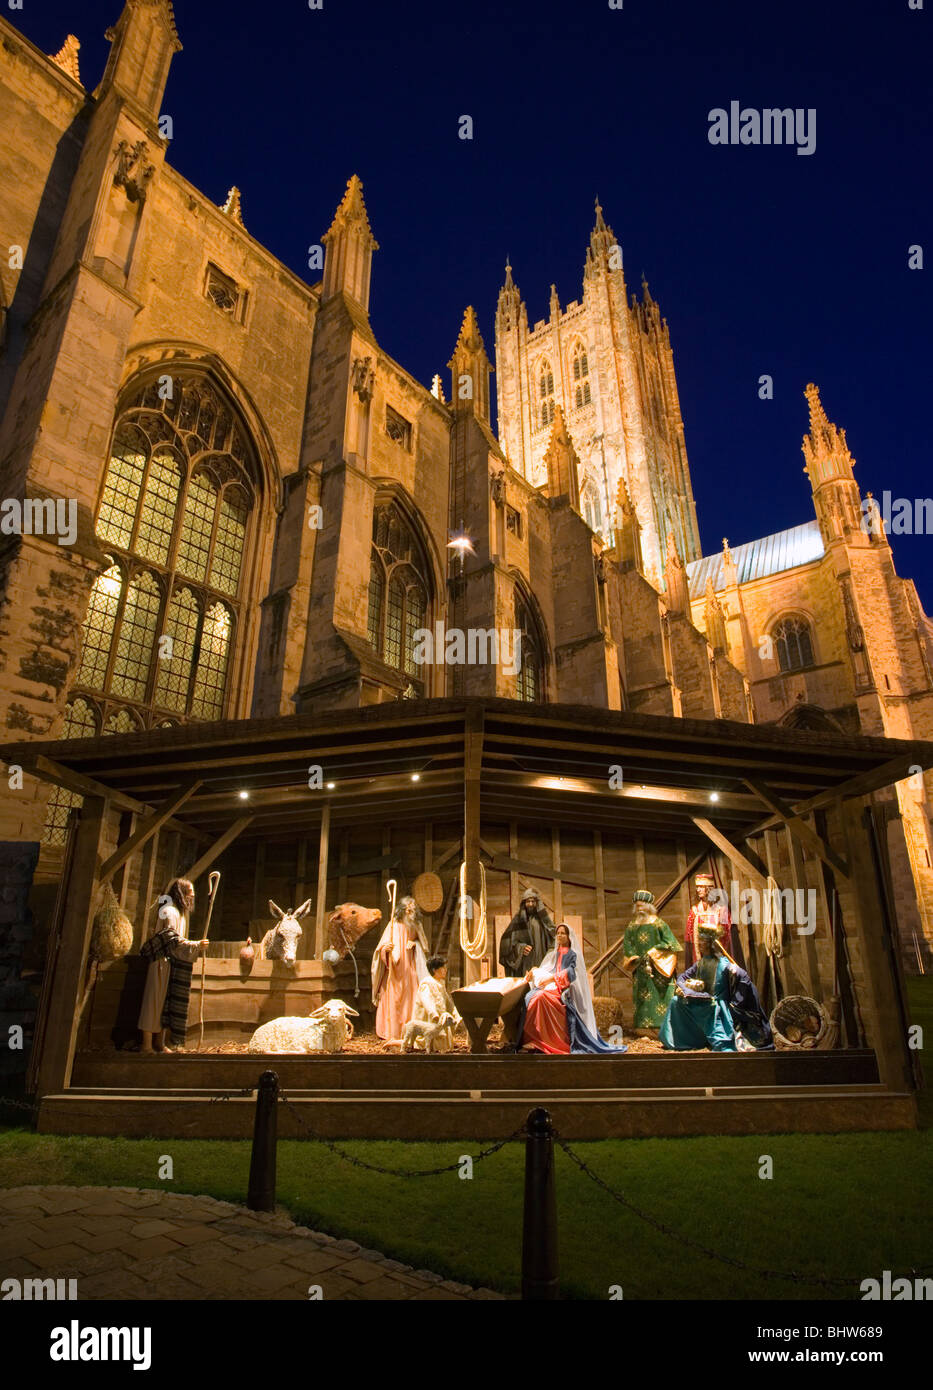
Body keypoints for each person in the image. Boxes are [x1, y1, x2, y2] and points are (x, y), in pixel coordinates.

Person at [660, 920, 773, 1051]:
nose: (699, 944)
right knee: (675, 1001)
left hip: (717, 1005)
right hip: (701, 999)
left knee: (721, 1041)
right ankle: (681, 1040)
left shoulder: (724, 965)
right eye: (699, 940)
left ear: (710, 944)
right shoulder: (701, 963)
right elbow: (682, 977)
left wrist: (736, 1003)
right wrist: (687, 987)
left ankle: (719, 1039)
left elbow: (744, 979)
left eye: (702, 941)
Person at [518, 923, 626, 1055]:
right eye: (558, 933)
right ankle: (533, 1039)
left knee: (541, 998)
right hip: (551, 986)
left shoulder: (572, 954)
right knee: (530, 997)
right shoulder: (555, 953)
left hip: (564, 989)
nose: (560, 935)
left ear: (569, 936)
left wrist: (552, 979)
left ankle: (545, 1041)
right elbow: (548, 967)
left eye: (563, 933)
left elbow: (572, 973)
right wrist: (535, 970)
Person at [138, 878, 208, 1052]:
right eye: (189, 894)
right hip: (161, 961)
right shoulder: (169, 911)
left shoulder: (181, 914)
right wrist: (196, 945)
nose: (192, 897)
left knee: (166, 1005)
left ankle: (160, 1043)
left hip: (172, 963)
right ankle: (146, 1045)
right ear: (181, 894)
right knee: (154, 1001)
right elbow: (171, 939)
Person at [621, 889, 682, 1035]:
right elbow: (628, 944)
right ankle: (643, 1030)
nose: (639, 908)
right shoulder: (632, 926)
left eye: (641, 905)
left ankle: (664, 1028)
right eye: (637, 905)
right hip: (640, 968)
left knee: (660, 996)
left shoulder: (659, 924)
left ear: (648, 906)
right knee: (641, 997)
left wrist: (654, 952)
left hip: (659, 967)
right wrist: (632, 957)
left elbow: (671, 943)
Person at [371, 894, 429, 1039]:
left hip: (410, 967)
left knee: (411, 999)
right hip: (394, 970)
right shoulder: (393, 925)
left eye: (413, 910)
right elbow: (380, 949)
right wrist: (386, 949)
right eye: (408, 910)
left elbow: (424, 945)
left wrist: (415, 944)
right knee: (392, 997)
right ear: (402, 910)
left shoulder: (416, 926)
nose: (411, 913)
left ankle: (410, 1031)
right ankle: (392, 1031)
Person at [409, 954, 461, 1052]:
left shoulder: (440, 983)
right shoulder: (426, 983)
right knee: (427, 1039)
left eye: (445, 968)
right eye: (443, 968)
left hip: (440, 1019)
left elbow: (448, 1001)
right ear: (434, 970)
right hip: (430, 1019)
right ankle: (395, 1042)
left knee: (440, 1039)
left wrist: (456, 1014)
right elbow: (426, 999)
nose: (445, 970)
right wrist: (433, 1013)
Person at [498, 887, 556, 975]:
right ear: (524, 903)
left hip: (541, 960)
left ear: (537, 903)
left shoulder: (544, 921)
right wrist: (520, 948)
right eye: (528, 901)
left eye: (533, 901)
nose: (530, 904)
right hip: (524, 964)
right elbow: (506, 943)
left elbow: (554, 938)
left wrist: (549, 956)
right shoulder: (518, 921)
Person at [684, 872, 735, 967]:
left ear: (709, 888)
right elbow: (689, 940)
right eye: (697, 887)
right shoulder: (694, 912)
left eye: (701, 887)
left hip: (719, 959)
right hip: (700, 960)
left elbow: (728, 937)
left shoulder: (721, 910)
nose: (698, 890)